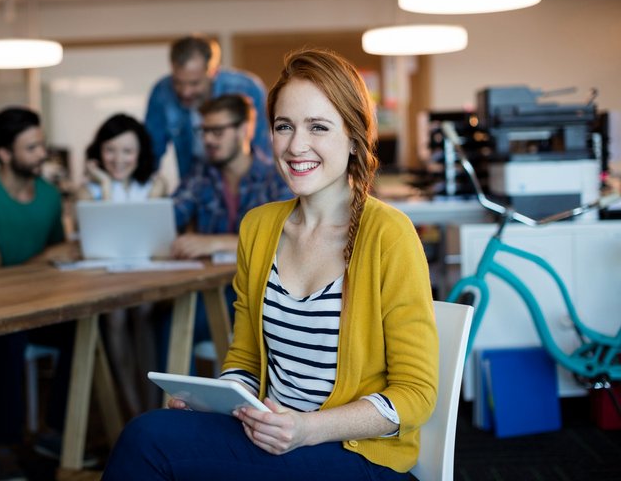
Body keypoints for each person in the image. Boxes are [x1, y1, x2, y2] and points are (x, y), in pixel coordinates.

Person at [102, 48, 439, 481]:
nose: (297, 146)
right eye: (284, 127)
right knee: (152, 432)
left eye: (318, 127)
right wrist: (220, 399)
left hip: (356, 456)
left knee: (148, 441)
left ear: (354, 137)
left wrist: (307, 429)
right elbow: (244, 357)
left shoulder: (388, 235)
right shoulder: (259, 228)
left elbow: (416, 395)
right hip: (273, 438)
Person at [0, 107, 84, 481]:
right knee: (10, 336)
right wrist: (47, 257)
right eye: (32, 147)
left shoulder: (48, 196)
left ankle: (56, 433)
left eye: (41, 144)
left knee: (84, 329)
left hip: (36, 308)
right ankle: (2, 448)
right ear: (5, 154)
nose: (43, 153)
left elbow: (63, 260)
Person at [166, 93, 292, 353]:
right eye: (204, 131)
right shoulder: (201, 174)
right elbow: (170, 217)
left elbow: (286, 238)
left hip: (262, 295)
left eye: (217, 131)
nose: (208, 139)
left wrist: (214, 242)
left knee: (174, 325)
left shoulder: (276, 178)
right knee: (164, 322)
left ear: (244, 129)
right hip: (207, 288)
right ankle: (179, 395)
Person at [76, 113, 165, 415]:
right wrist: (104, 182)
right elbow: (102, 245)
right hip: (104, 280)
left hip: (146, 278)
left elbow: (156, 244)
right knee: (114, 317)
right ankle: (131, 409)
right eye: (110, 150)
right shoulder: (89, 190)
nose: (118, 159)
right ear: (98, 152)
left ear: (140, 154)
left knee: (142, 311)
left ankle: (152, 410)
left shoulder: (155, 185)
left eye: (127, 151)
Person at [146, 34, 271, 181]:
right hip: (194, 183)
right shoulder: (162, 92)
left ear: (213, 72)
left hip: (245, 183)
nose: (186, 92)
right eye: (178, 82)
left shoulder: (246, 88)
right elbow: (151, 153)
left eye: (194, 83)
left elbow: (262, 150)